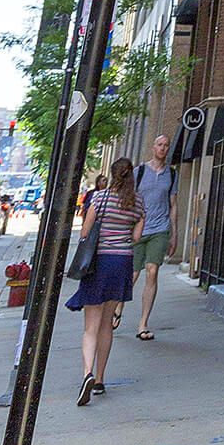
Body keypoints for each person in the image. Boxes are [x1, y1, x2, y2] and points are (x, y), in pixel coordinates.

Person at [65, 156, 143, 405]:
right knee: (107, 325)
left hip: (98, 263)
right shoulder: (138, 203)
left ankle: (87, 372)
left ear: (111, 174)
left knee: (91, 327)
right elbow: (136, 238)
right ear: (131, 176)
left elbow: (86, 232)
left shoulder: (98, 199)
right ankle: (99, 380)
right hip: (121, 264)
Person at [131, 133, 178, 339]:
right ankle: (118, 309)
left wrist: (174, 234)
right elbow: (129, 200)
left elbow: (174, 205)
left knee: (152, 272)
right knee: (132, 275)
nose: (163, 148)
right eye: (159, 144)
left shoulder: (172, 174)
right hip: (138, 228)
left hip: (160, 229)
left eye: (166, 145)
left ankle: (143, 324)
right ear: (153, 147)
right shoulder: (139, 172)